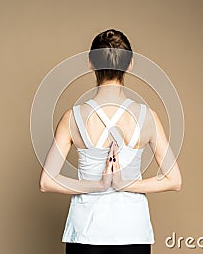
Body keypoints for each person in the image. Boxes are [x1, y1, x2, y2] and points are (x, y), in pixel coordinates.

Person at [39, 29, 182, 254]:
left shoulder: (72, 118)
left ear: (90, 63)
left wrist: (97, 185)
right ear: (131, 64)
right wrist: (126, 184)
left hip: (86, 232)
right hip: (133, 231)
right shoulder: (148, 118)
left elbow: (46, 182)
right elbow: (174, 180)